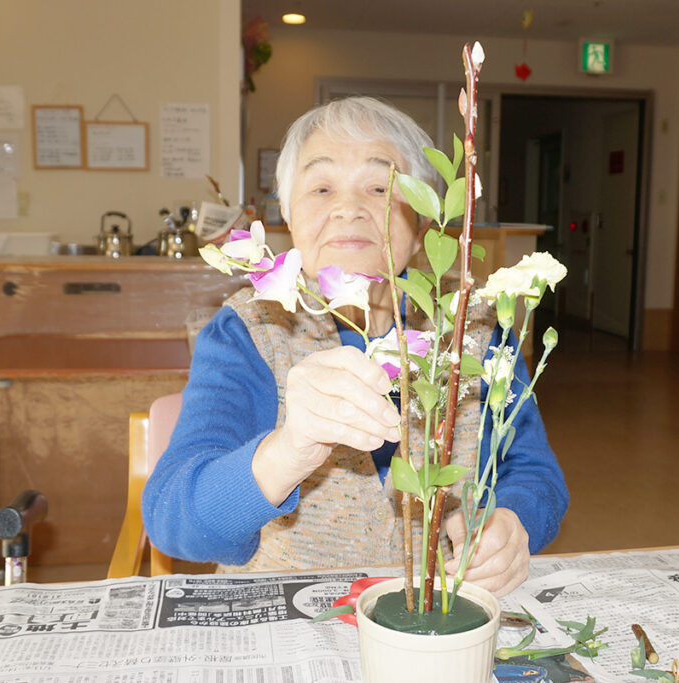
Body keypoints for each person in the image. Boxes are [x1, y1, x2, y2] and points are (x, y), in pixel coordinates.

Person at [142, 97, 568, 596]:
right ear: (289, 217)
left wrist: (513, 521)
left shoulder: (472, 322)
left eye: (380, 188)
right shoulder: (250, 329)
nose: (348, 208)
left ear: (424, 224)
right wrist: (288, 451)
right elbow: (173, 518)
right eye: (321, 188)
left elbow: (534, 472)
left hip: (437, 609)